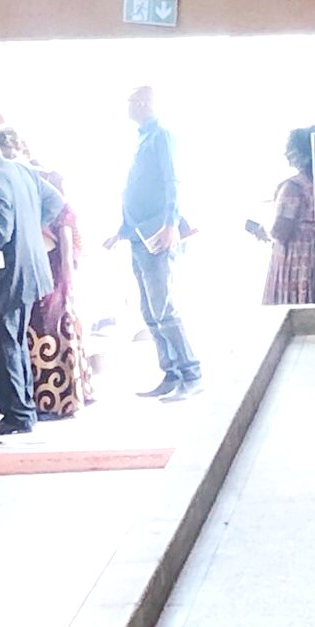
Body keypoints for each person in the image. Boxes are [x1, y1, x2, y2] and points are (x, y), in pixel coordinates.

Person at [0, 126, 67, 435]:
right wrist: (30, 233)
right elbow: (54, 202)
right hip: (25, 274)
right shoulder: (20, 170)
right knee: (14, 344)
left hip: (2, 280)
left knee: (1, 346)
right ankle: (21, 412)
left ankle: (16, 415)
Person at [107, 86, 201, 400]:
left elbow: (172, 180)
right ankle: (171, 372)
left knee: (165, 308)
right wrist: (121, 230)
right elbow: (135, 189)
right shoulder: (141, 138)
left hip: (159, 233)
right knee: (149, 311)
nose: (127, 107)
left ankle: (191, 372)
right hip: (137, 236)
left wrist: (171, 223)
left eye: (131, 101)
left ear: (145, 103)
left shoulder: (161, 136)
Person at [0, 124, 94, 418]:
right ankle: (41, 400)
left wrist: (64, 264)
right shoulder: (9, 177)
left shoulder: (39, 175)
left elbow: (64, 216)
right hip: (31, 260)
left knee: (51, 325)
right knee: (33, 329)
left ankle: (59, 400)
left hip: (50, 260)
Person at [252, 125, 315, 305]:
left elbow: (280, 231)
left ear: (304, 155)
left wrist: (262, 231)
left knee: (298, 306)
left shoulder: (293, 187)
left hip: (298, 258)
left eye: (290, 149)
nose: (286, 153)